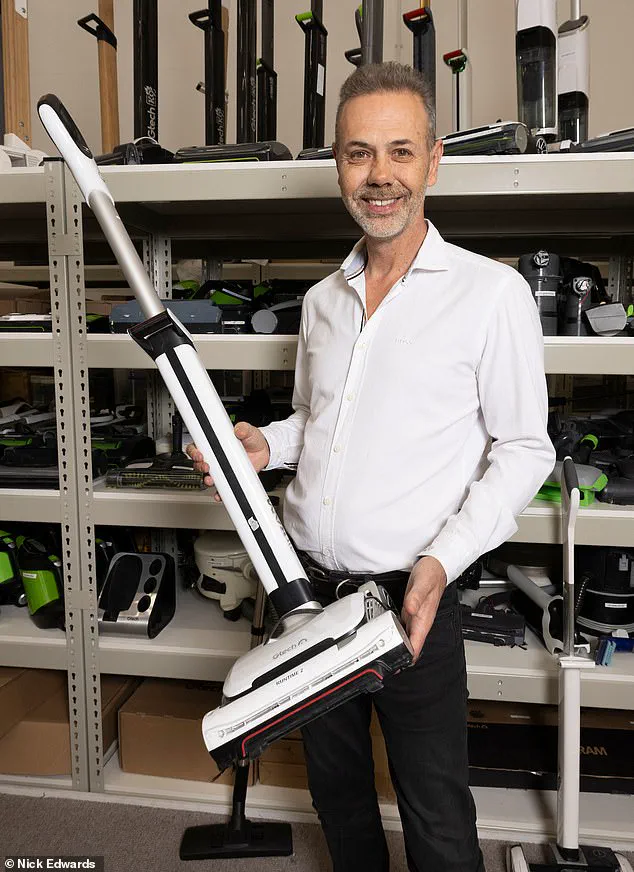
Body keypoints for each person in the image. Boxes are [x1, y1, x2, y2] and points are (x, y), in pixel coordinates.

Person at [188, 62, 555, 872]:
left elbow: (527, 448)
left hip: (412, 597)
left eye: (399, 151)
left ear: (434, 162)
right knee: (338, 793)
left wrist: (441, 562)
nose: (379, 175)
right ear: (338, 165)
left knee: (435, 810)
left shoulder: (490, 294)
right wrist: (267, 447)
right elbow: (319, 420)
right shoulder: (324, 300)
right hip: (306, 592)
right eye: (359, 153)